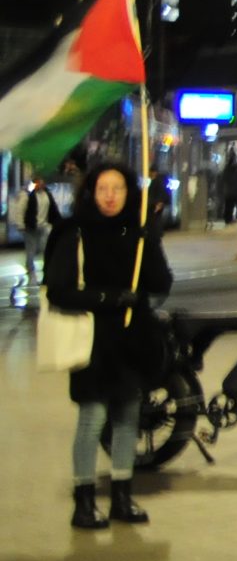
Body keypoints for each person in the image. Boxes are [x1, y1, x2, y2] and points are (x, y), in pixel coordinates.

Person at [49, 162, 172, 530]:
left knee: (127, 420)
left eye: (118, 188)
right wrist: (111, 298)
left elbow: (161, 282)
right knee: (92, 420)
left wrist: (149, 238)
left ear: (129, 192)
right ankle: (83, 502)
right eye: (103, 188)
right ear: (90, 191)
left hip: (133, 341)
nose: (110, 195)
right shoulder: (75, 232)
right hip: (93, 341)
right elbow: (60, 290)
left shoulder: (136, 233)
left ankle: (122, 496)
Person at [18, 173, 59, 311]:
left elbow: (53, 209)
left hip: (44, 226)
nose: (41, 183)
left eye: (42, 181)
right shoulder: (28, 194)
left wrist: (57, 223)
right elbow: (21, 209)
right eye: (38, 181)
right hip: (31, 227)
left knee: (45, 249)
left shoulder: (46, 193)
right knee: (31, 251)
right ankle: (31, 273)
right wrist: (21, 225)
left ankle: (45, 272)